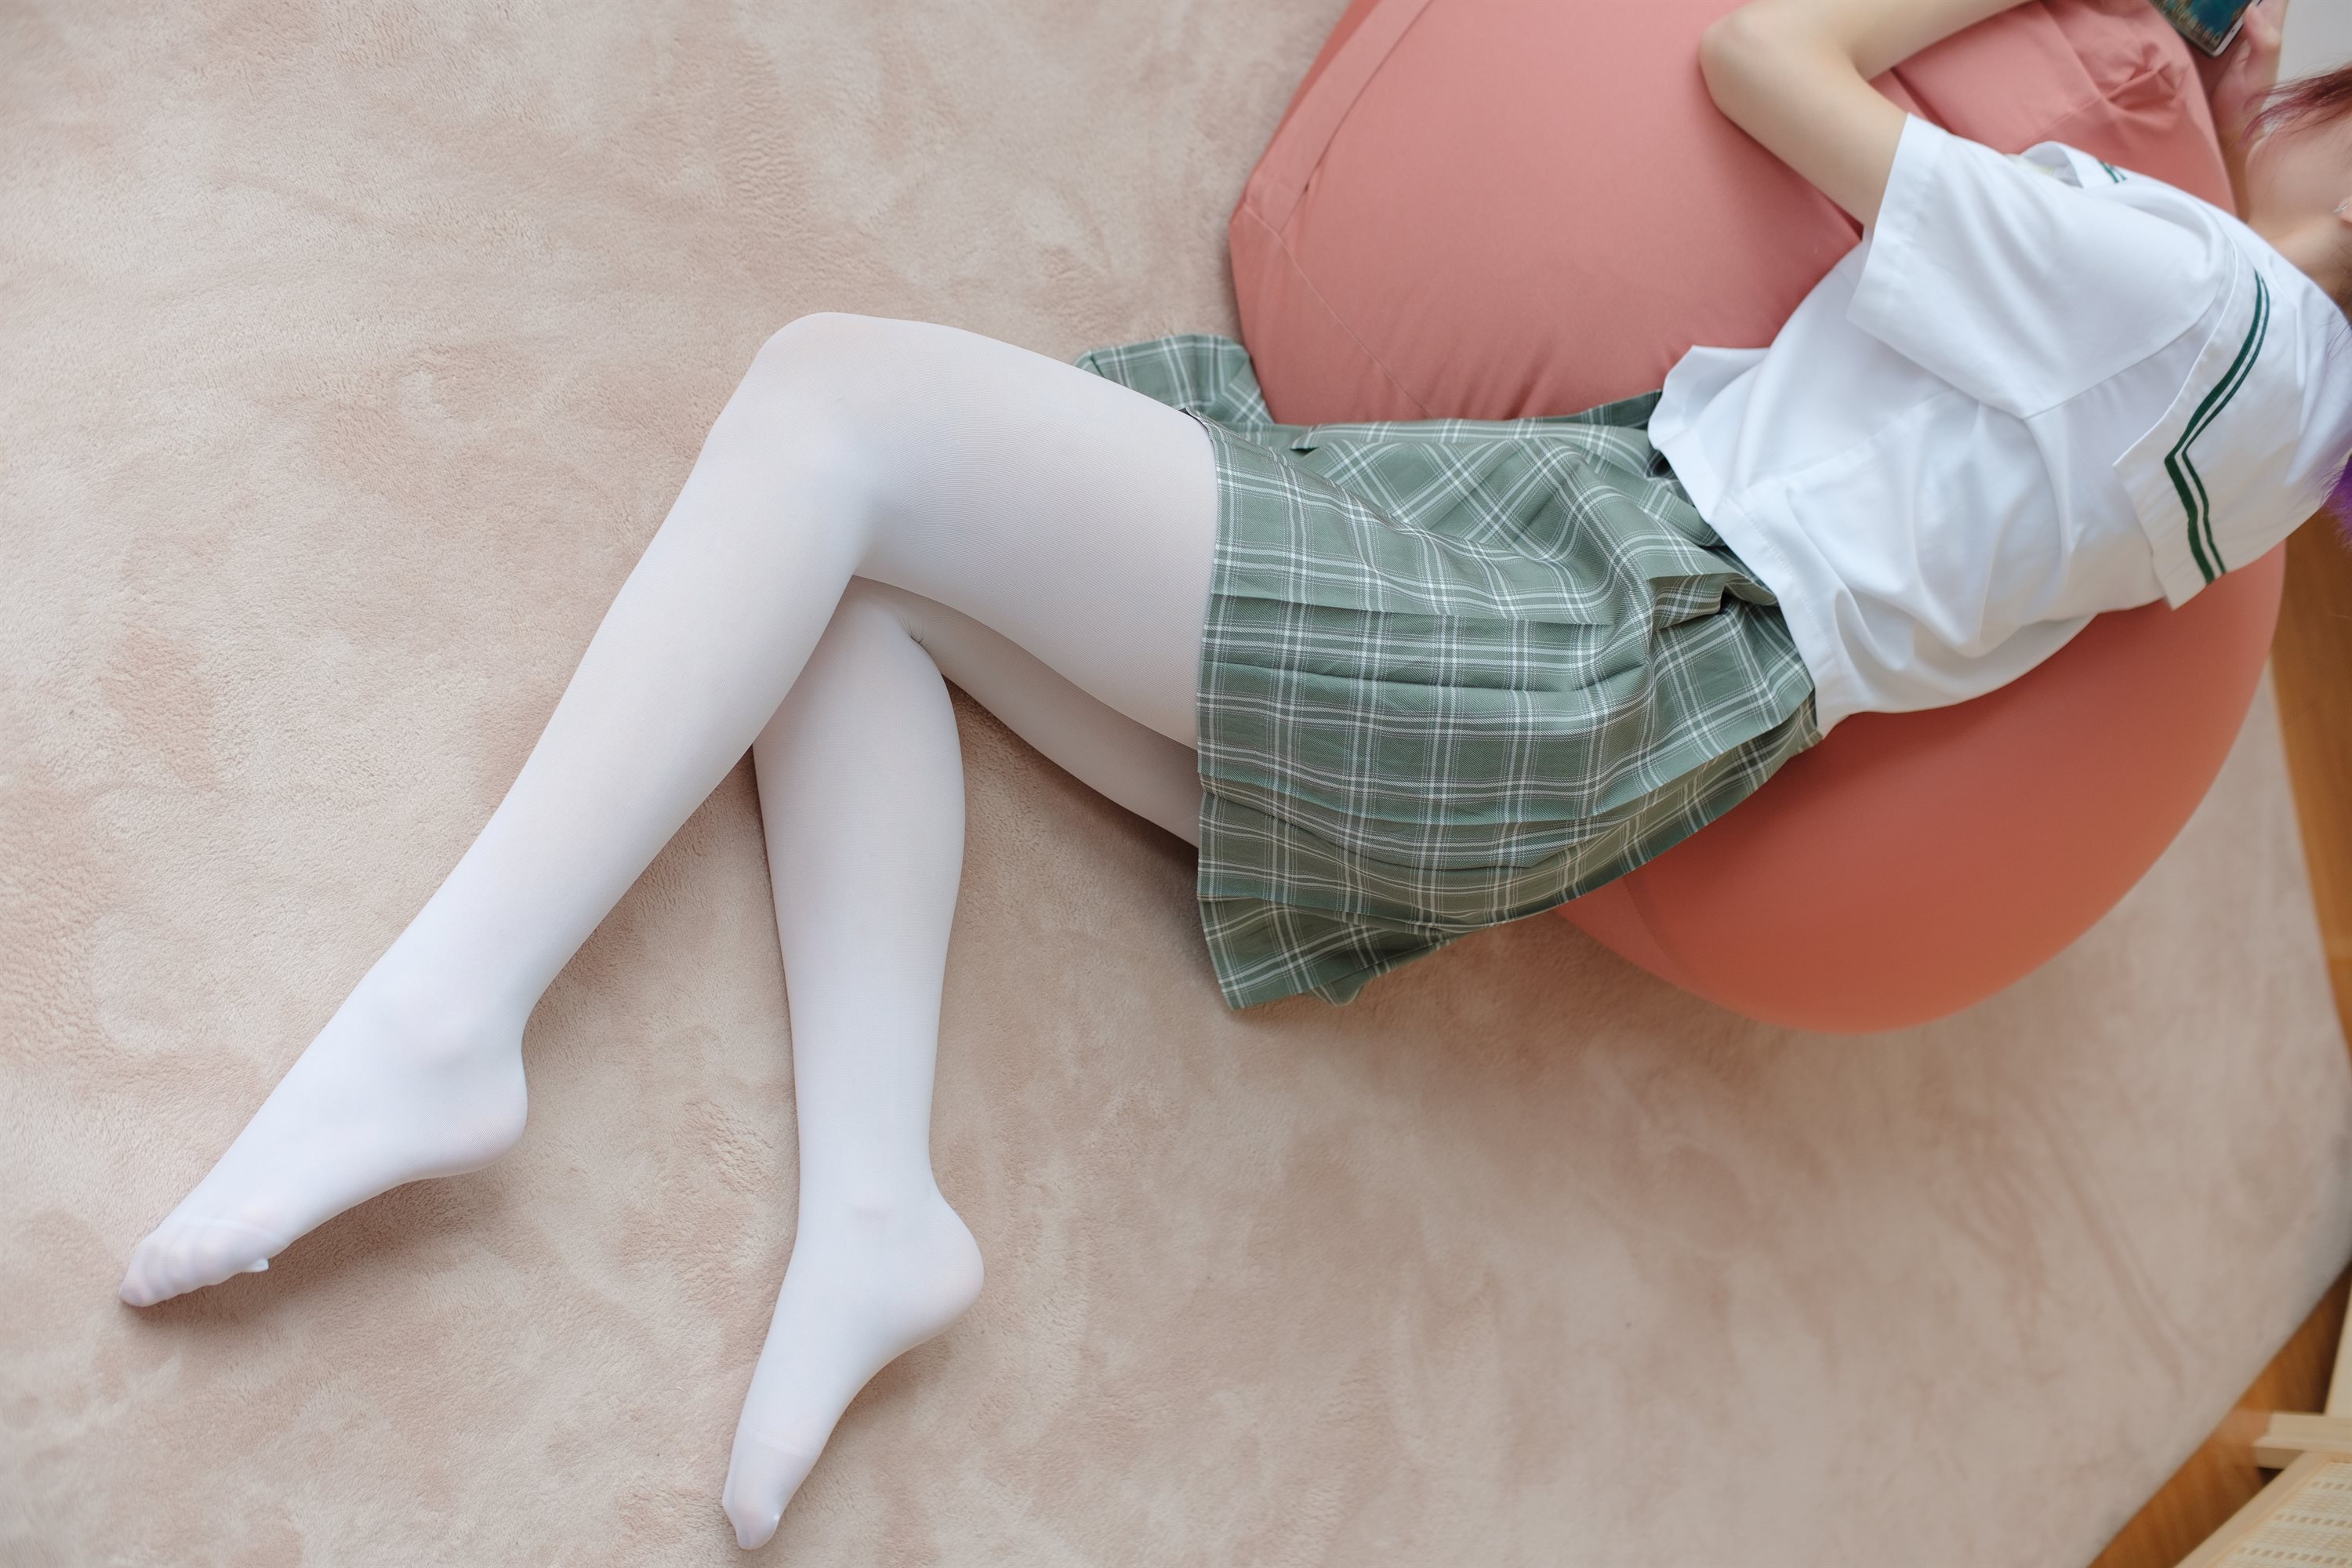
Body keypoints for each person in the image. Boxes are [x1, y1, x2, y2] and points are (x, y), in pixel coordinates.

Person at [115, 0, 2352, 1550]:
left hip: (1590, 626)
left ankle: (449, 1021)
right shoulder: (2279, 453)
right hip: (1620, 683)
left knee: (830, 401)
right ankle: (878, 1216)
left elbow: (1763, 61)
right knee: (857, 584)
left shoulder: (2226, 312)